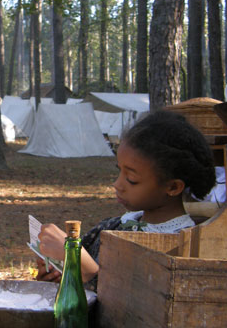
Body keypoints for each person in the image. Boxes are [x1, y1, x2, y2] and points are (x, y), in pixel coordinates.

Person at [35, 110, 216, 289]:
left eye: (131, 179)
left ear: (173, 187)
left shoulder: (183, 247)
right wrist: (60, 274)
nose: (117, 184)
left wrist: (80, 263)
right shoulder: (111, 227)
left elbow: (140, 308)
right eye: (119, 171)